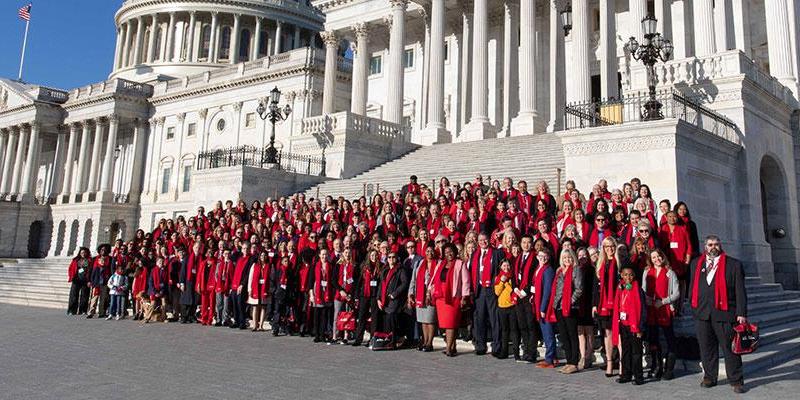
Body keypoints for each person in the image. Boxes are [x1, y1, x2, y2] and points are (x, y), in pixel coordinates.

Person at [689, 235, 748, 393]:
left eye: (716, 244)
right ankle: (709, 377)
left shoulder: (733, 265)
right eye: (710, 245)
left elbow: (740, 291)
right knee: (706, 348)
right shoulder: (696, 263)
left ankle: (736, 380)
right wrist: (693, 307)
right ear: (705, 247)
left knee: (730, 349)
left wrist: (741, 313)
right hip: (702, 314)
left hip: (725, 314)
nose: (713, 247)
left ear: (720, 246)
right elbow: (692, 286)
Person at [642, 249, 680, 380]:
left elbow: (676, 293)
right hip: (651, 309)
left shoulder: (670, 273)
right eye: (653, 257)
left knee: (670, 339)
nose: (656, 259)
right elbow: (643, 289)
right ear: (650, 259)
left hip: (664, 309)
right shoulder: (647, 272)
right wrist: (647, 299)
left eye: (658, 256)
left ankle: (669, 369)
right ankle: (656, 366)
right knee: (653, 339)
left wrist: (663, 301)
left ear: (662, 257)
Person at [430, 243, 470, 357]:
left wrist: (464, 297)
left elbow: (466, 281)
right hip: (441, 297)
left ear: (455, 252)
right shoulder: (440, 264)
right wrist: (430, 291)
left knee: (450, 324)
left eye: (451, 251)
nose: (449, 254)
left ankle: (448, 348)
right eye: (446, 252)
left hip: (453, 297)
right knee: (447, 324)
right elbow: (434, 279)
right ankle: (453, 347)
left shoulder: (460, 264)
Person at [469, 232, 504, 355]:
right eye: (480, 240)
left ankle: (497, 346)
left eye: (485, 239)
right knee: (480, 318)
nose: (483, 242)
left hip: (491, 289)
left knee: (495, 319)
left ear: (489, 240)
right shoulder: (475, 254)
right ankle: (480, 345)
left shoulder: (496, 253)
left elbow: (501, 269)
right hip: (479, 289)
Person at [551, 248, 584, 374]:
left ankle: (574, 362)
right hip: (559, 306)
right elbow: (556, 288)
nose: (567, 260)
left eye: (569, 257)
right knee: (564, 335)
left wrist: (570, 301)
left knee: (572, 335)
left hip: (571, 307)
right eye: (565, 258)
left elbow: (579, 289)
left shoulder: (576, 270)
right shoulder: (559, 271)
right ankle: (569, 361)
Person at [612, 265, 646, 385]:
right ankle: (626, 374)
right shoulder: (621, 288)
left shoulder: (638, 290)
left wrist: (640, 327)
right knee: (625, 350)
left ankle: (638, 376)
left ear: (634, 276)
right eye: (625, 275)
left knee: (636, 352)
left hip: (634, 325)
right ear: (621, 275)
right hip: (623, 324)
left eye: (631, 275)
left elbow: (642, 310)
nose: (628, 277)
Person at [594, 237, 620, 377]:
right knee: (607, 333)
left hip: (619, 304)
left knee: (620, 334)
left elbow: (628, 283)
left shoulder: (620, 263)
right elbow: (595, 287)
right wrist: (594, 304)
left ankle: (621, 364)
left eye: (612, 246)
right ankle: (609, 362)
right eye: (606, 246)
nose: (609, 249)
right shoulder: (601, 264)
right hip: (604, 305)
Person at [408, 246, 438, 352]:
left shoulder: (438, 264)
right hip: (420, 295)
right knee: (423, 321)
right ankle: (425, 341)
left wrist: (430, 292)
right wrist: (410, 294)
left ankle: (430, 343)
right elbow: (413, 280)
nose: (430, 253)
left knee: (430, 320)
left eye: (431, 251)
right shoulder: (419, 264)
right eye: (428, 251)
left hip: (431, 296)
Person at [513, 235, 537, 363]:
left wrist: (525, 291)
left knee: (530, 325)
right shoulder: (518, 258)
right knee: (522, 325)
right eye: (524, 242)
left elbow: (533, 278)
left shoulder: (535, 259)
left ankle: (532, 353)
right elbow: (514, 275)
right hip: (518, 296)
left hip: (528, 297)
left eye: (528, 243)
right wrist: (515, 289)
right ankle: (526, 350)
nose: (526, 245)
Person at [377, 251, 409, 347]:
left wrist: (394, 294)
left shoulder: (400, 269)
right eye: (389, 257)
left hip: (394, 299)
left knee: (392, 319)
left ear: (397, 258)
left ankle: (395, 340)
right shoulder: (385, 270)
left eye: (393, 257)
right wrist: (378, 298)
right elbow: (381, 285)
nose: (391, 259)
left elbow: (404, 283)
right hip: (384, 299)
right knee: (388, 319)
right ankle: (389, 339)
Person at [533, 249, 557, 368]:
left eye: (545, 256)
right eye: (540, 256)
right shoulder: (539, 268)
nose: (543, 258)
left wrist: (542, 308)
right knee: (545, 332)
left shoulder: (548, 270)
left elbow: (547, 291)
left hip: (545, 307)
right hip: (538, 303)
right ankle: (553, 357)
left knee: (548, 333)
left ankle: (550, 359)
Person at [352, 250, 381, 346]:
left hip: (375, 295)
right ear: (369, 256)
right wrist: (356, 296)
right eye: (372, 255)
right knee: (362, 317)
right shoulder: (364, 267)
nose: (374, 257)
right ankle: (358, 338)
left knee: (375, 317)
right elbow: (359, 283)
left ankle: (373, 338)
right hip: (364, 294)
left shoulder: (380, 267)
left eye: (376, 255)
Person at [494, 259, 518, 360]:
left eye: (508, 266)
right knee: (504, 330)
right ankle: (504, 351)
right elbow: (497, 292)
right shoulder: (498, 277)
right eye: (504, 266)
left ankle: (516, 352)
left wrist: (507, 283)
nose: (506, 268)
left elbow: (512, 290)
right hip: (502, 307)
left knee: (514, 330)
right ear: (500, 267)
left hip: (512, 306)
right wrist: (502, 282)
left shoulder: (513, 277)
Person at [310, 248, 335, 343]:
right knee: (317, 315)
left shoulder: (330, 266)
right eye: (322, 254)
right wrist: (311, 294)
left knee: (325, 315)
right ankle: (316, 334)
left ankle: (322, 334)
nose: (324, 256)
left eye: (326, 254)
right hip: (317, 292)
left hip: (327, 292)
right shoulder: (315, 266)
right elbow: (311, 280)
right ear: (319, 255)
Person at [87, 244, 112, 319]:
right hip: (96, 281)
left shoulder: (110, 259)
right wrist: (89, 280)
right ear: (99, 251)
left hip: (105, 281)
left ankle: (101, 312)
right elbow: (90, 270)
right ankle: (91, 312)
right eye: (102, 250)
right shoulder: (94, 259)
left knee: (104, 298)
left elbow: (111, 270)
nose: (103, 251)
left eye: (105, 250)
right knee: (94, 297)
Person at [248, 252, 271, 331]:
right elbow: (250, 278)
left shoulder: (270, 266)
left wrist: (270, 289)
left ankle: (261, 325)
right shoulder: (254, 265)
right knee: (255, 307)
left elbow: (272, 278)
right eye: (261, 255)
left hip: (265, 288)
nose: (263, 257)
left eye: (264, 255)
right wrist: (249, 289)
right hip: (255, 288)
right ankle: (255, 325)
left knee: (263, 307)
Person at [67, 247, 92, 315]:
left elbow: (91, 271)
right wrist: (71, 276)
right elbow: (70, 268)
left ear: (87, 253)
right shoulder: (76, 260)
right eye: (81, 253)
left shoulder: (90, 260)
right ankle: (72, 310)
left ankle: (83, 310)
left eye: (84, 252)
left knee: (85, 296)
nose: (83, 254)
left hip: (85, 280)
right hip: (76, 279)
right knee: (73, 295)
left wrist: (90, 280)